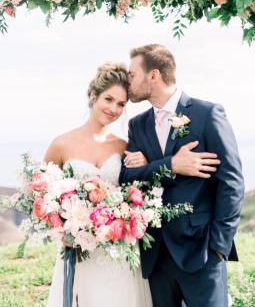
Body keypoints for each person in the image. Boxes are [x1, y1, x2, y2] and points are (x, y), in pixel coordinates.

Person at [120, 44, 244, 307]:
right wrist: (170, 164)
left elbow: (231, 182)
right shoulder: (137, 125)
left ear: (153, 75)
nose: (126, 81)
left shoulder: (207, 114)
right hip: (155, 256)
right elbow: (127, 177)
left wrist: (218, 247)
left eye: (132, 74)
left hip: (201, 251)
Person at [45, 62, 153, 307]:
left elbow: (136, 190)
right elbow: (41, 197)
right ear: (93, 96)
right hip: (79, 249)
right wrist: (62, 229)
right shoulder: (61, 144)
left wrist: (145, 162)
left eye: (121, 104)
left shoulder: (122, 145)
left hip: (119, 250)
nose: (114, 109)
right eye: (109, 99)